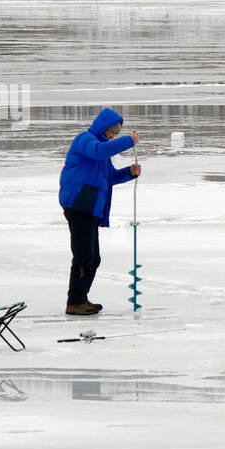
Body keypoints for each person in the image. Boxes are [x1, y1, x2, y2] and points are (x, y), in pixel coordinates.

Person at [58, 107, 140, 315]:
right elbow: (97, 151)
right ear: (102, 128)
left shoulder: (103, 152)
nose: (113, 136)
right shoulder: (85, 140)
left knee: (93, 258)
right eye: (111, 132)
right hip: (79, 206)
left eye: (116, 133)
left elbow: (109, 177)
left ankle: (80, 298)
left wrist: (129, 173)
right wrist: (129, 141)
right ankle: (75, 301)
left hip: (90, 208)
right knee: (84, 256)